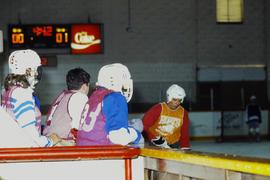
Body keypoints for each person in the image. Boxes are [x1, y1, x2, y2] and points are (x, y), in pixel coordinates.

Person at [1, 49, 60, 147]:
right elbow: (31, 136)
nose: (37, 73)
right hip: (24, 152)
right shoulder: (23, 93)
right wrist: (50, 141)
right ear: (29, 71)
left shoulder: (7, 90)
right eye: (36, 69)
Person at [76, 63, 141, 146]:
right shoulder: (115, 97)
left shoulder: (93, 97)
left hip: (82, 152)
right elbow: (118, 138)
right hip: (100, 153)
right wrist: (136, 135)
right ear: (115, 81)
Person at [43, 67, 90, 146]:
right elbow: (79, 127)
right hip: (62, 143)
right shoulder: (80, 97)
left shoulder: (62, 96)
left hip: (50, 141)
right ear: (85, 86)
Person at [142, 84, 190, 150]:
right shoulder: (158, 109)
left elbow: (184, 132)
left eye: (179, 100)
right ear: (169, 98)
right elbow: (145, 125)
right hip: (156, 143)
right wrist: (154, 138)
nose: (177, 102)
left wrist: (185, 147)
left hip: (174, 144)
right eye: (174, 99)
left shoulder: (183, 113)